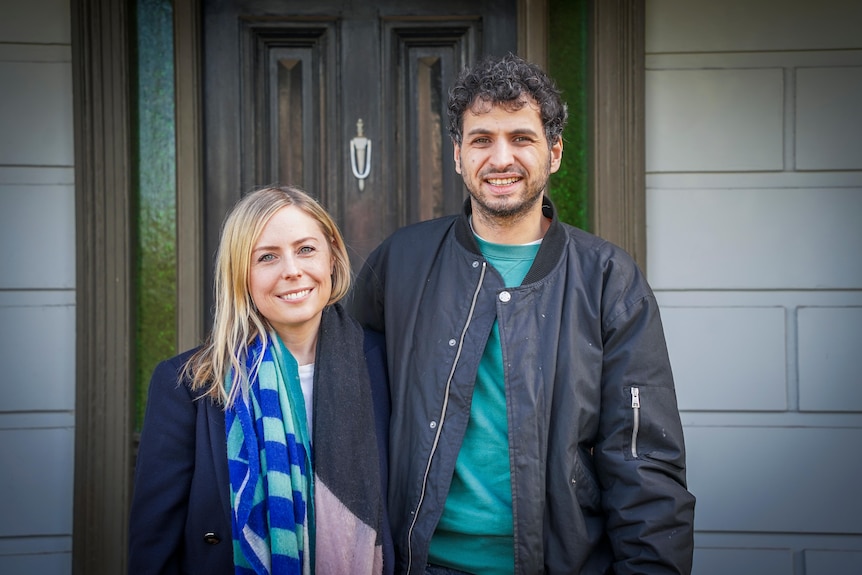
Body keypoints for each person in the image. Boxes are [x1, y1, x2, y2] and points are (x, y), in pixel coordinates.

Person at [351, 53, 696, 574]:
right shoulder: (401, 262)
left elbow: (643, 459)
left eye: (522, 137)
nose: (500, 157)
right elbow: (341, 400)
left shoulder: (607, 279)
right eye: (482, 139)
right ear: (458, 155)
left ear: (554, 152)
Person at [129, 185, 393, 575]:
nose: (291, 269)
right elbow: (154, 547)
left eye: (306, 249)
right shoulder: (188, 384)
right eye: (267, 257)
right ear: (241, 275)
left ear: (332, 258)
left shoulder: (384, 365)